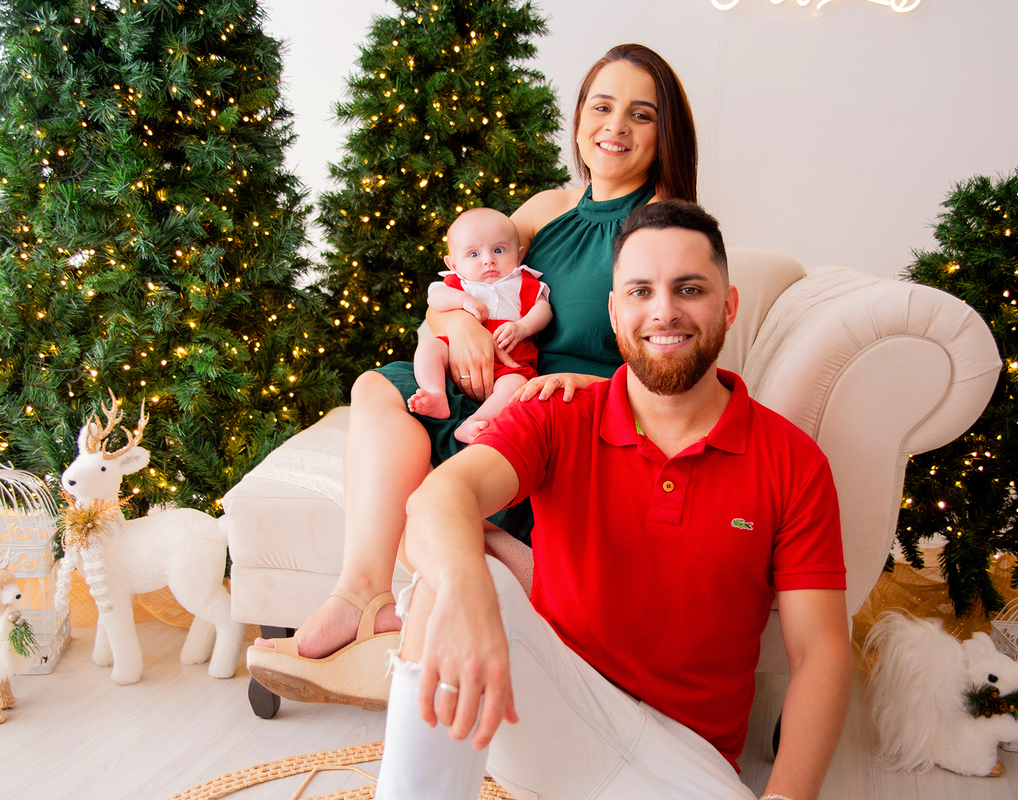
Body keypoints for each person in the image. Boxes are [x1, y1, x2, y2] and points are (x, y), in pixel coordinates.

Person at [247, 43, 700, 708]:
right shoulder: (545, 209)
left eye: (641, 114)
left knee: (425, 522)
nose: (616, 127)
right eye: (601, 107)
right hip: (498, 378)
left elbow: (678, 358)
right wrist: (455, 323)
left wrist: (594, 387)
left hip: (573, 407)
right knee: (376, 387)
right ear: (577, 121)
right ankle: (360, 594)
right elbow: (463, 278)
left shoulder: (666, 226)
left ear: (665, 135)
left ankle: (427, 626)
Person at [374, 200, 852, 800]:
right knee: (455, 579)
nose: (664, 311)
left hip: (684, 757)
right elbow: (441, 497)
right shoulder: (559, 412)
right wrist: (468, 587)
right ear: (613, 310)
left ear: (727, 307)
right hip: (553, 706)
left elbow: (821, 656)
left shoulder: (793, 463)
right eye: (640, 291)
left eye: (690, 288)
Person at [407, 208, 552, 444]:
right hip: (456, 358)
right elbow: (435, 299)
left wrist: (523, 327)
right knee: (428, 349)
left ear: (519, 254)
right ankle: (436, 395)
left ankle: (476, 420)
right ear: (452, 263)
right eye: (473, 254)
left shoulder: (523, 282)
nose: (488, 260)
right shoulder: (458, 282)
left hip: (509, 364)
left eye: (498, 250)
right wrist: (463, 300)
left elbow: (543, 310)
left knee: (516, 386)